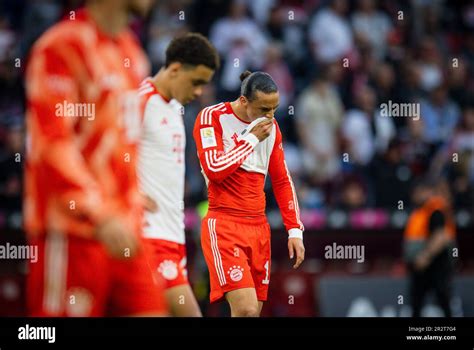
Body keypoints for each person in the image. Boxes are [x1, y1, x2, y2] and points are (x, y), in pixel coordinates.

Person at [24, 0, 167, 316]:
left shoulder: (132, 52)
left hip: (127, 230)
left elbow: (122, 143)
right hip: (74, 232)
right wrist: (98, 212)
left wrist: (136, 192)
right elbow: (51, 143)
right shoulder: (62, 46)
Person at [193, 70, 305, 317]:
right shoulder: (211, 117)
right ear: (244, 101)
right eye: (264, 109)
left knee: (253, 313)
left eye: (275, 108)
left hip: (258, 229)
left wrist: (295, 230)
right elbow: (214, 170)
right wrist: (251, 139)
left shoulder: (272, 128)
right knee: (245, 310)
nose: (270, 116)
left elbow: (282, 181)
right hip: (224, 225)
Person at [138, 33, 219, 316]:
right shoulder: (140, 102)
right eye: (196, 82)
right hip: (149, 238)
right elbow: (103, 155)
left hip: (174, 240)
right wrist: (128, 193)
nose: (199, 92)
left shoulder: (175, 109)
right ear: (174, 69)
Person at [404, 178, 456, 317]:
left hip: (435, 265)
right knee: (417, 301)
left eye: (417, 192)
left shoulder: (435, 209)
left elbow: (441, 236)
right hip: (422, 267)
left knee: (442, 299)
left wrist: (425, 256)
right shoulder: (421, 211)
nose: (413, 196)